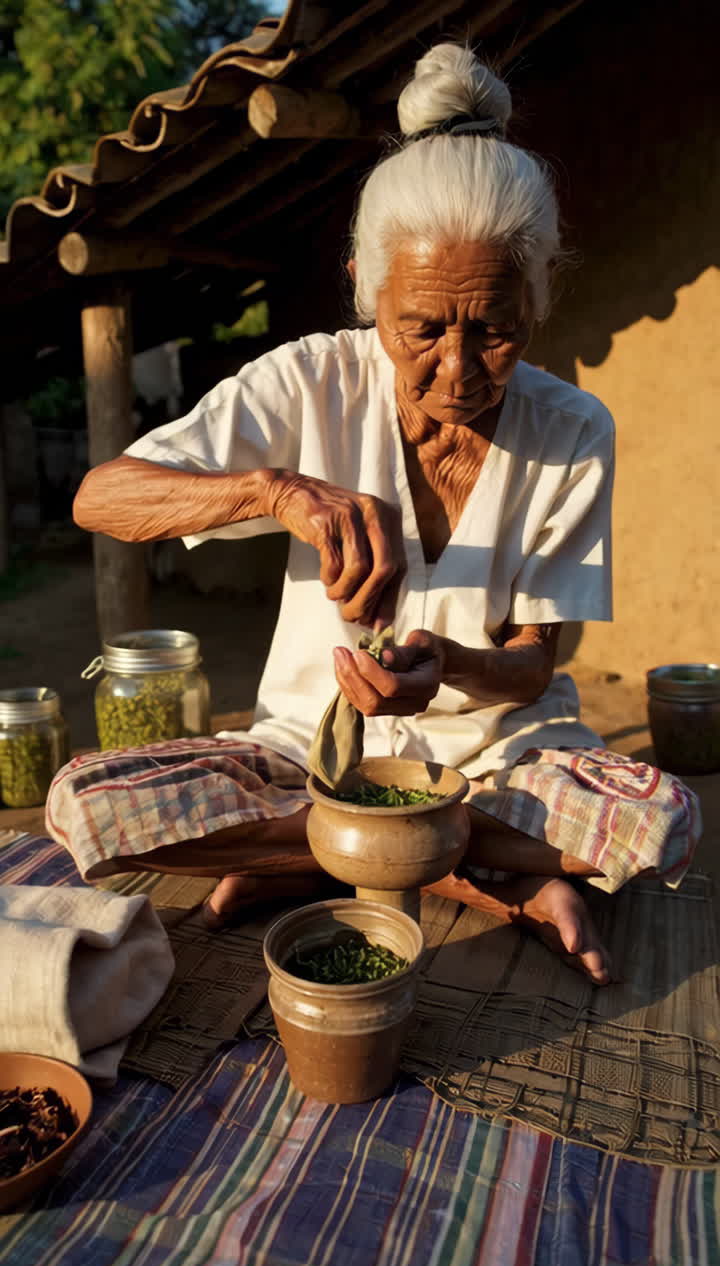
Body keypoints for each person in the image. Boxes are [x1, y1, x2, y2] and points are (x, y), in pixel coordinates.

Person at [67, 44, 699, 984]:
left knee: (662, 817)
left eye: (494, 328)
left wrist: (450, 670)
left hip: (496, 767)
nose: (457, 367)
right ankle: (475, 878)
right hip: (303, 761)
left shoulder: (574, 428)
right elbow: (100, 497)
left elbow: (530, 670)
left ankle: (312, 859)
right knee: (89, 800)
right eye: (422, 327)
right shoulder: (306, 380)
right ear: (368, 284)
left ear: (541, 292)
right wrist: (277, 490)